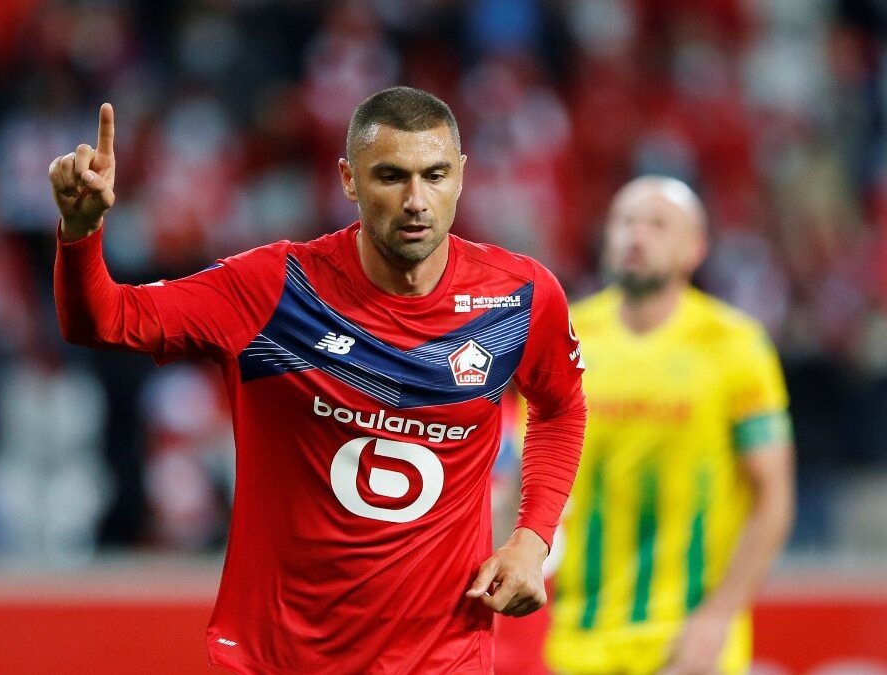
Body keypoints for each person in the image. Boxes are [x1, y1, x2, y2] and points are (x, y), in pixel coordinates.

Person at [51, 86, 587, 672]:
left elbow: (561, 406)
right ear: (348, 180)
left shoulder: (517, 298)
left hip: (442, 657)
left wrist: (532, 539)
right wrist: (81, 233)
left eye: (434, 176)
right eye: (390, 176)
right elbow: (106, 320)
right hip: (283, 656)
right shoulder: (275, 289)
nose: (416, 201)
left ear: (460, 176)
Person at [545, 177, 796, 674]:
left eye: (657, 225)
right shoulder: (565, 336)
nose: (636, 235)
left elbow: (773, 497)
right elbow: (530, 473)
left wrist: (720, 614)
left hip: (685, 641)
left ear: (694, 249)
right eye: (625, 221)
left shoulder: (735, 346)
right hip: (574, 638)